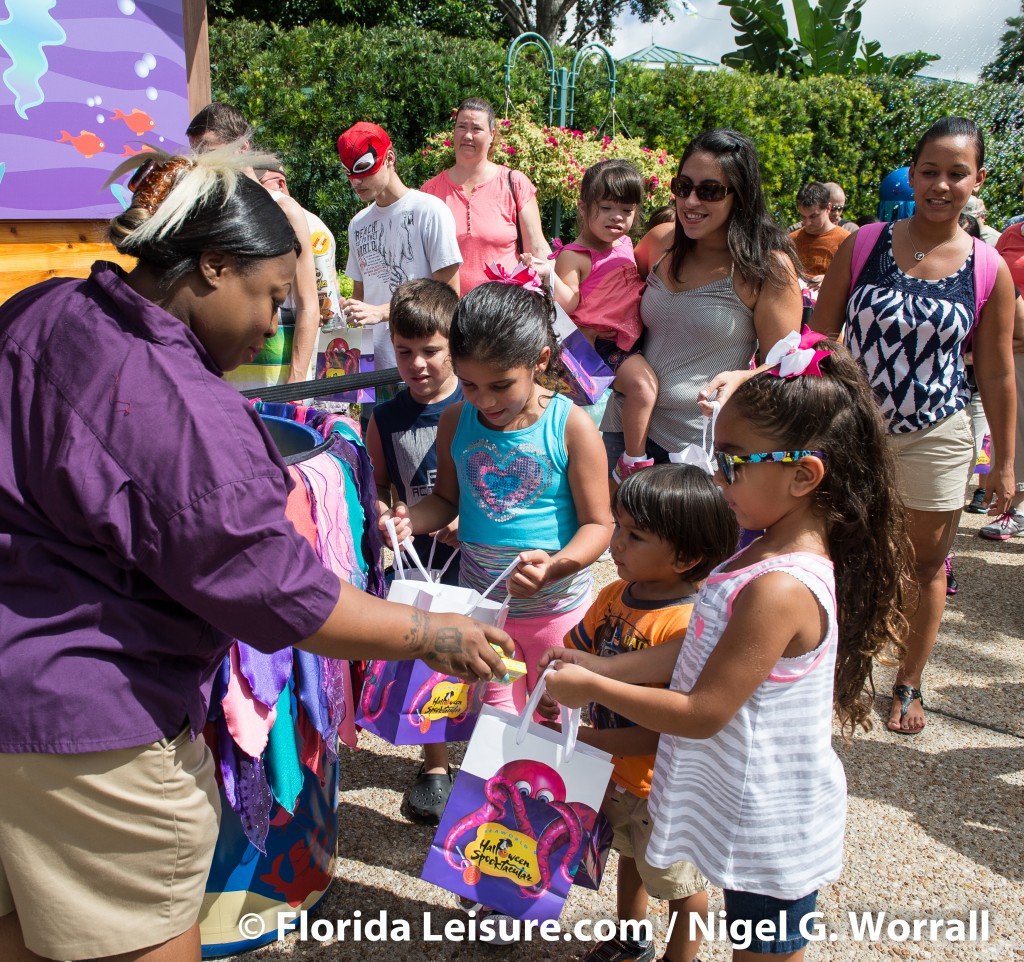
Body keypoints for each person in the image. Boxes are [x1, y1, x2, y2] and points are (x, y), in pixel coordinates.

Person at [0, 148, 513, 962]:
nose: (276, 325)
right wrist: (433, 634)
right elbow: (281, 594)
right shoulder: (183, 408)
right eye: (272, 297)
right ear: (211, 266)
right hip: (90, 718)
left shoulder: (42, 311)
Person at [543, 336, 912, 960]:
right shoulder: (762, 550)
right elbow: (697, 651)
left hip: (770, 817)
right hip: (746, 799)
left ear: (803, 474)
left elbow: (705, 708)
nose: (718, 477)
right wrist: (603, 663)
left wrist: (599, 688)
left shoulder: (779, 587)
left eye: (734, 462)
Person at [811, 116, 1017, 734]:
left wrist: (1003, 463)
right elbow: (818, 338)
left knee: (924, 566)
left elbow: (1000, 374)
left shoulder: (989, 268)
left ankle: (908, 681)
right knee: (837, 554)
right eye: (930, 171)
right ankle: (838, 671)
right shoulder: (866, 242)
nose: (941, 185)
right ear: (914, 173)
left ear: (977, 181)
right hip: (851, 431)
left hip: (937, 433)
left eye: (957, 174)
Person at [384, 275, 613, 718]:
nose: (484, 400)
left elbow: (598, 525)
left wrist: (555, 567)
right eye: (469, 384)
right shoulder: (455, 421)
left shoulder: (571, 427)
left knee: (549, 721)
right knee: (493, 719)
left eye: (500, 385)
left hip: (557, 613)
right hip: (483, 612)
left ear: (540, 361)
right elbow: (446, 501)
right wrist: (411, 519)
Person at [566, 465, 738, 962]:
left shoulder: (689, 627)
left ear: (686, 556)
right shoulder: (614, 595)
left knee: (679, 883)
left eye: (635, 535)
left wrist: (587, 743)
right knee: (631, 858)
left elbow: (659, 734)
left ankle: (679, 957)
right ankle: (630, 937)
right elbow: (578, 649)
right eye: (618, 527)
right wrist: (556, 681)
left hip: (663, 784)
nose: (617, 543)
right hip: (616, 775)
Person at [604, 128, 803, 474]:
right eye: (683, 187)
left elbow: (786, 371)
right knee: (614, 528)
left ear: (739, 196)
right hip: (625, 432)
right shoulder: (660, 243)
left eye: (709, 191)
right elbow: (612, 300)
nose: (690, 202)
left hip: (694, 451)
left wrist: (743, 378)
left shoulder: (766, 269)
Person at [364, 278, 465, 823]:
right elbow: (380, 481)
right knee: (435, 655)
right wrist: (382, 513)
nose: (418, 364)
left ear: (454, 347)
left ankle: (488, 750)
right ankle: (435, 763)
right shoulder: (384, 417)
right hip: (421, 557)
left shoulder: (479, 405)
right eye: (405, 352)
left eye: (431, 351)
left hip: (478, 556)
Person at [539, 159, 658, 483]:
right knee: (643, 389)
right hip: (599, 345)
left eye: (627, 210)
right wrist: (549, 275)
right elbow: (569, 302)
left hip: (627, 338)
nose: (617, 217)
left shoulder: (624, 244)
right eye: (606, 207)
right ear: (583, 206)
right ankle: (633, 460)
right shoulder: (573, 255)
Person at [186, 102, 320, 387]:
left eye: (209, 152)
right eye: (195, 155)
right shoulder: (203, 214)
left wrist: (296, 382)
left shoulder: (286, 211)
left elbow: (310, 304)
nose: (202, 163)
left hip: (279, 381)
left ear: (242, 146)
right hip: (220, 384)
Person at [338, 121, 462, 382]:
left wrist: (383, 312)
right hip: (375, 369)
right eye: (348, 171)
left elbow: (449, 296)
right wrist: (346, 311)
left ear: (389, 158)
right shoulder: (357, 223)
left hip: (425, 367)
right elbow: (361, 297)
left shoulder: (429, 210)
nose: (356, 180)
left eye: (363, 167)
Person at [421, 97, 551, 295]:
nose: (468, 135)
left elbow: (538, 249)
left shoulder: (514, 183)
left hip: (503, 313)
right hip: (448, 315)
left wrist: (552, 285)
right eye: (462, 127)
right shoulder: (430, 192)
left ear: (492, 135)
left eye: (476, 129)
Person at [789, 181, 849, 283]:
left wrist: (829, 279)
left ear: (828, 208)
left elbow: (852, 277)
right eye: (803, 216)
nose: (807, 223)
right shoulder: (791, 240)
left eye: (813, 216)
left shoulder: (846, 240)